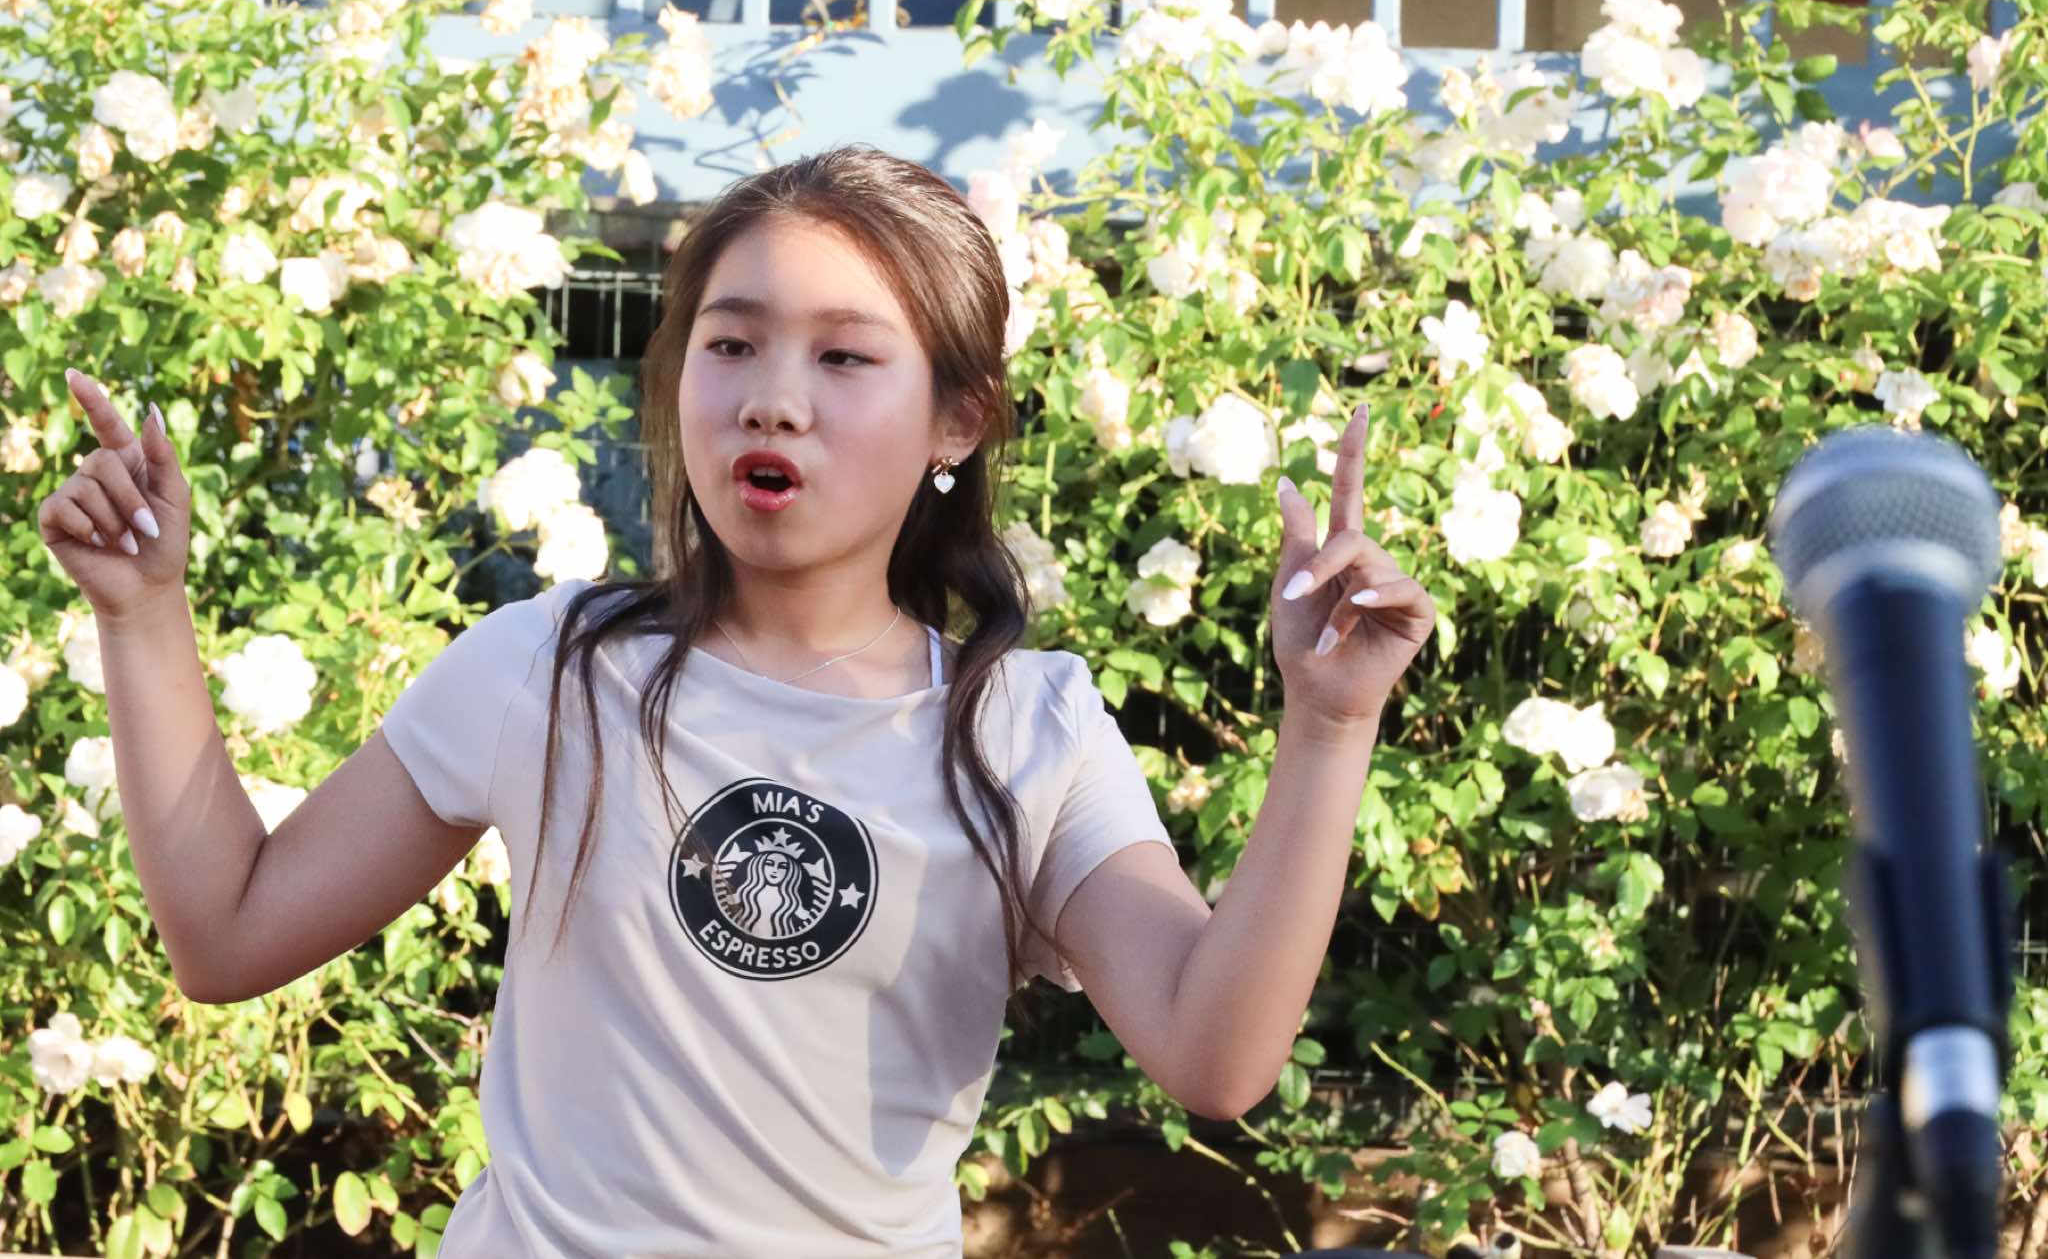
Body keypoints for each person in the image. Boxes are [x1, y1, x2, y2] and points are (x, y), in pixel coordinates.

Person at [37, 143, 1436, 1256]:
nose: (773, 400)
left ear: (958, 420)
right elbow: (228, 932)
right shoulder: (548, 668)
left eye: (845, 357)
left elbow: (1214, 1055)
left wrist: (1329, 726)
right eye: (732, 344)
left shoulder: (1025, 729)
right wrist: (141, 615)